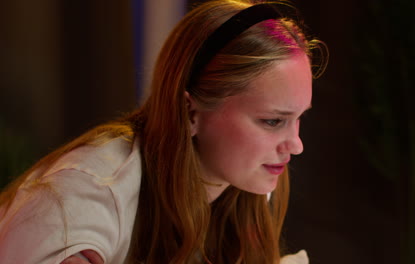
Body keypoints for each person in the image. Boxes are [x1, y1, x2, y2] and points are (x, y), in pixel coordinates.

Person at [0, 0, 327, 263]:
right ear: (189, 112)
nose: (295, 145)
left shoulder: (246, 183)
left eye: (299, 119)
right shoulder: (83, 199)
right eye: (272, 121)